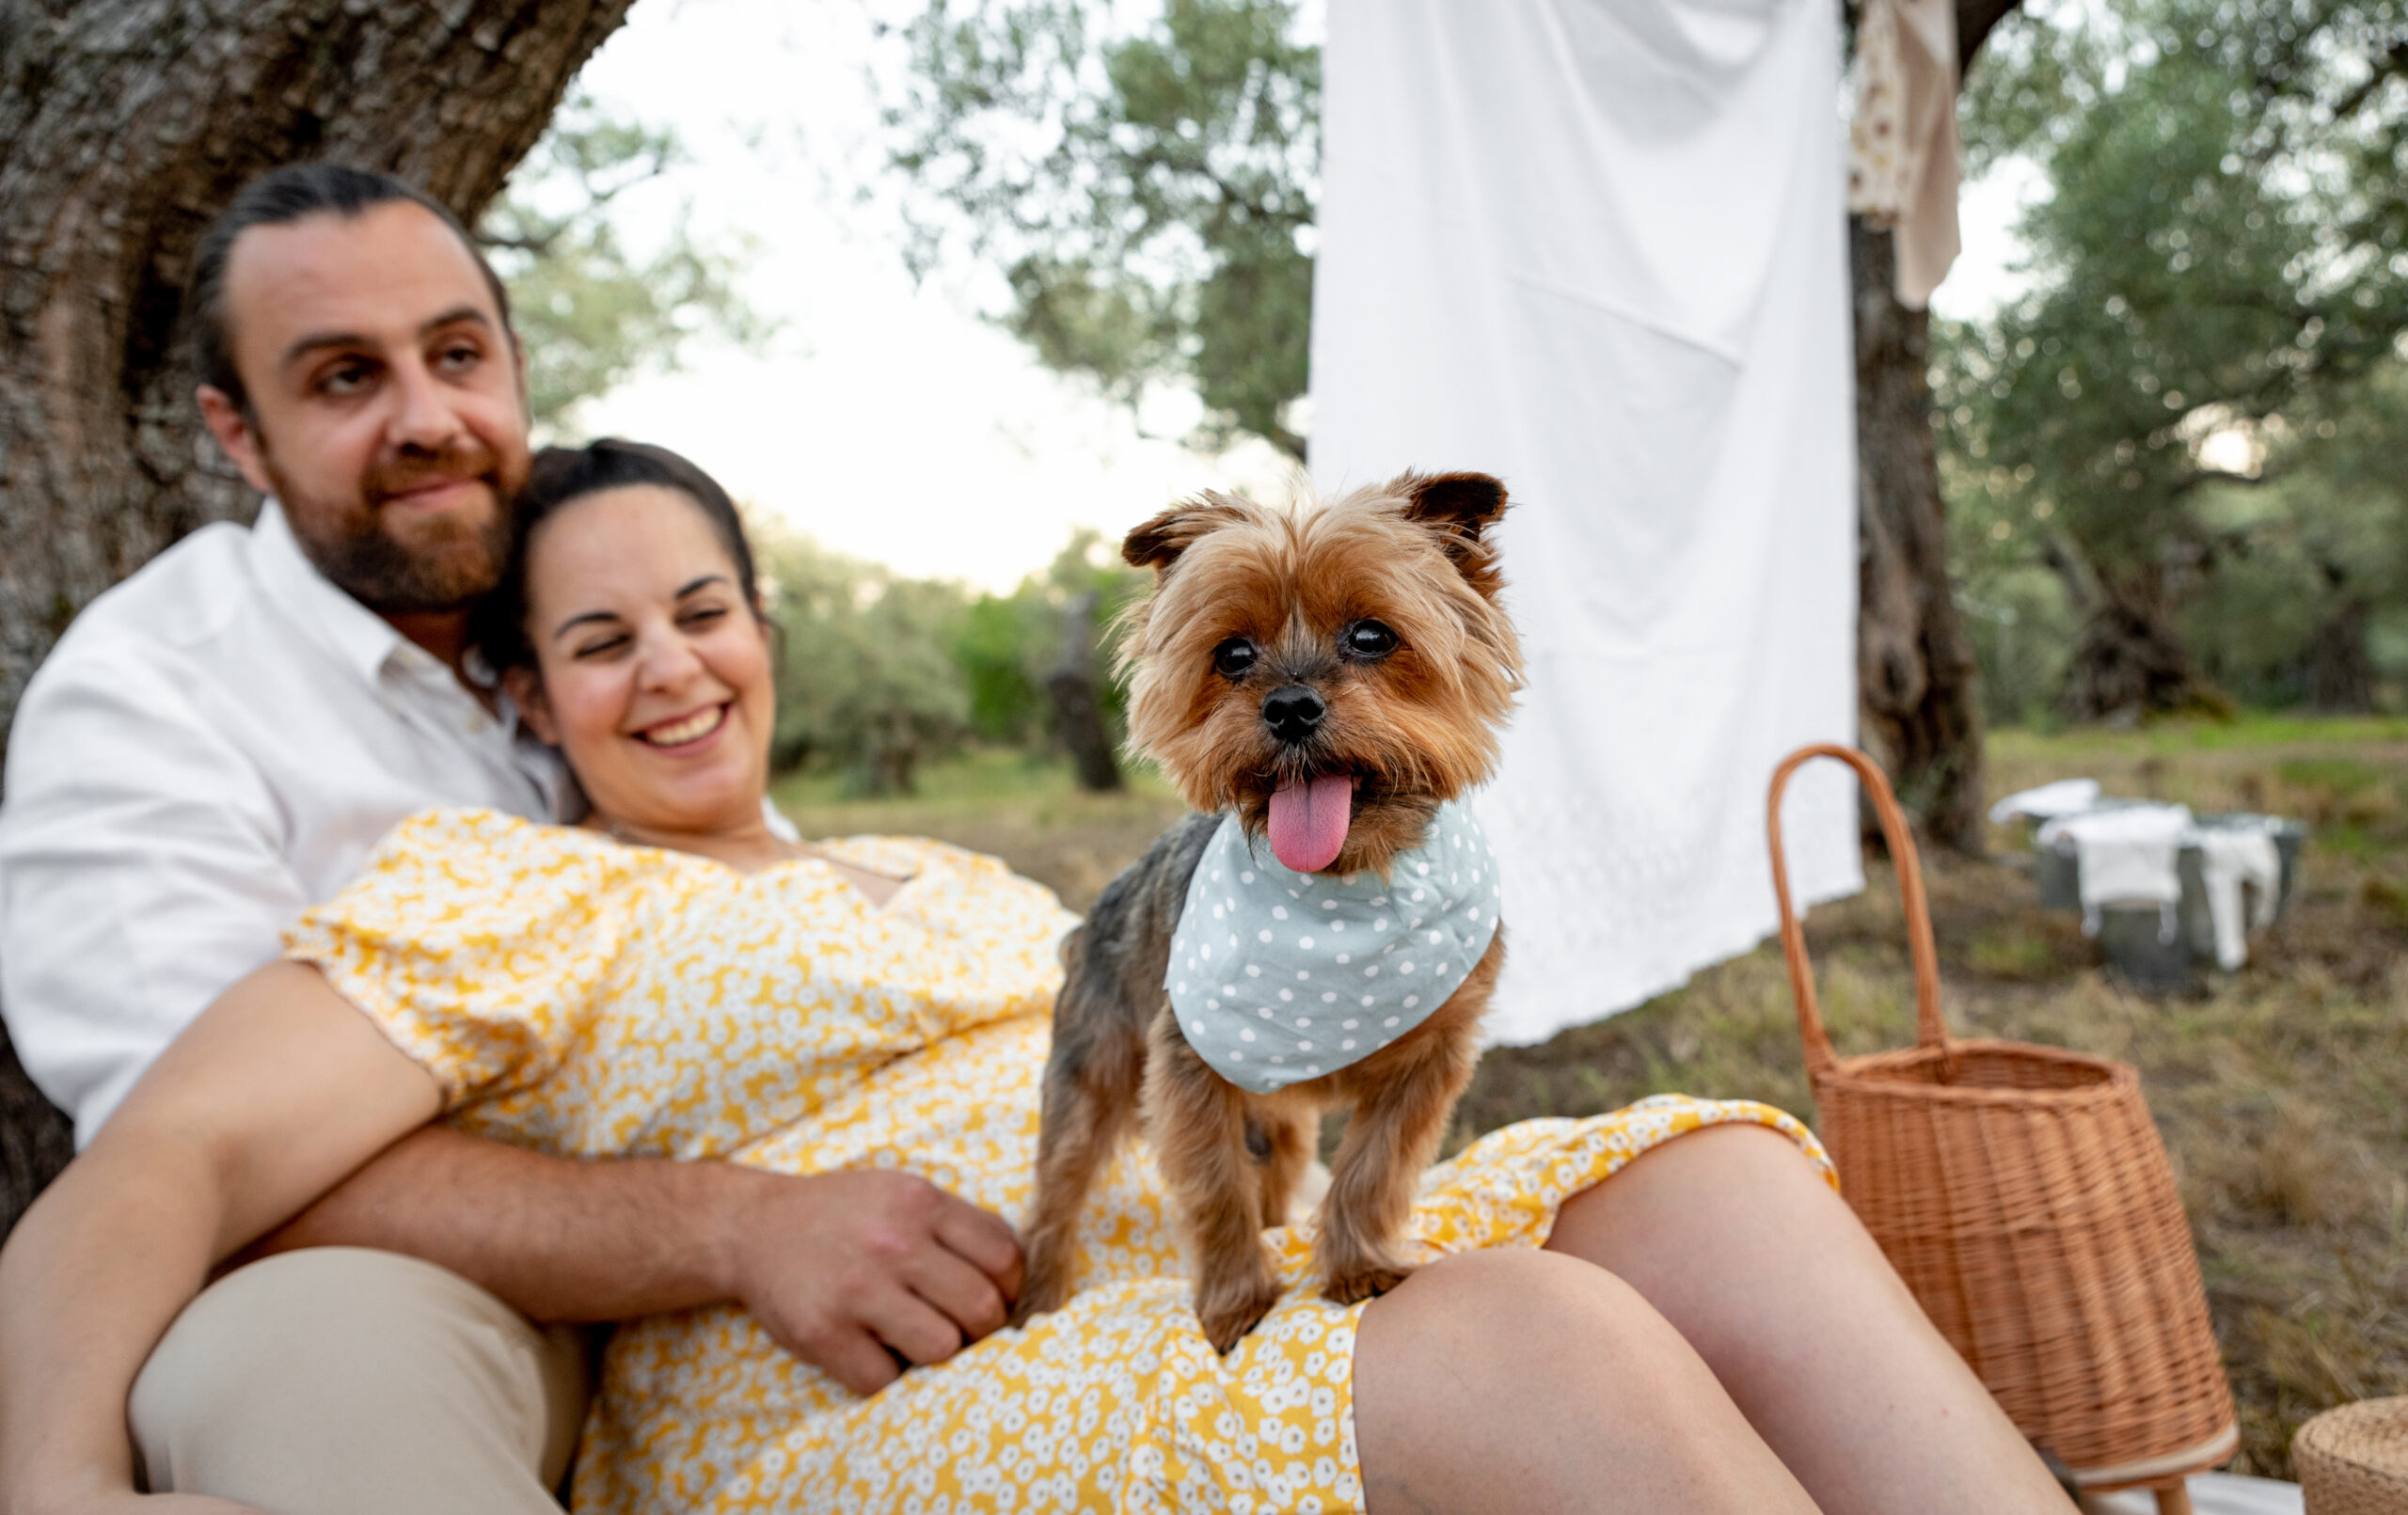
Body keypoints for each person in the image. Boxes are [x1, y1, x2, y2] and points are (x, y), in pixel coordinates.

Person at [0, 439, 2075, 1515]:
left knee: (1716, 1180)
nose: (672, 665)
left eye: (702, 609)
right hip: (870, 1413)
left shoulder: (944, 869)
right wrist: (55, 1491)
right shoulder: (501, 890)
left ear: (763, 635)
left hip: (1195, 1255)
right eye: (599, 638)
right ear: (533, 703)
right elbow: (151, 1169)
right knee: (1526, 1341)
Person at [0, 167, 1031, 1510]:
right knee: (298, 1354)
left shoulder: (593, 581)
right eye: (342, 380)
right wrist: (733, 1223)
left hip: (778, 1257)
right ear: (238, 434)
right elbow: (191, 1155)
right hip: (434, 1301)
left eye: (458, 354)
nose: (428, 418)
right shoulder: (153, 693)